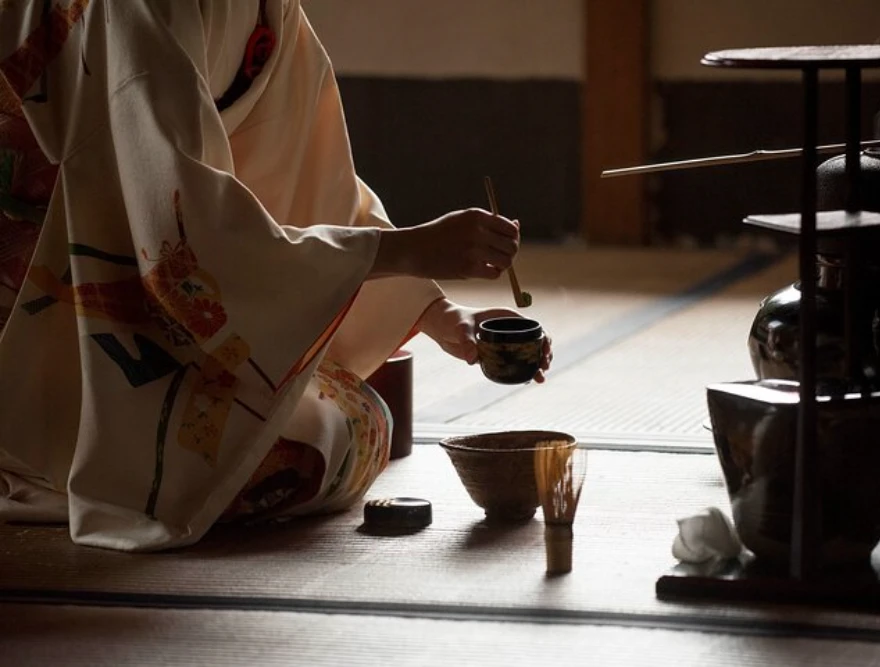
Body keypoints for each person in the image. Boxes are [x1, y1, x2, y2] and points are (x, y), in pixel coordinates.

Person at [0, 0, 551, 551]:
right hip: (48, 246)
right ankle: (48, 436)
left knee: (350, 425)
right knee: (294, 452)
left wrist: (439, 314)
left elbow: (315, 178)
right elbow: (181, 219)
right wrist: (407, 250)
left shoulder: (273, 10)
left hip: (149, 250)